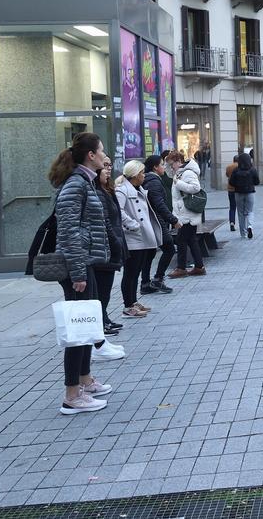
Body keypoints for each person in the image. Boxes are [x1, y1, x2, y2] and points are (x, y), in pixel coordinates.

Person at [48, 132, 114, 415]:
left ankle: (85, 380)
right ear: (90, 155)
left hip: (85, 262)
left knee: (87, 325)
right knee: (77, 329)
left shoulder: (84, 182)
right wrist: (77, 272)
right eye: (101, 151)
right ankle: (72, 395)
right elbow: (68, 232)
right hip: (77, 265)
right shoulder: (76, 184)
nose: (104, 155)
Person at [116, 160, 162, 318]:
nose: (144, 176)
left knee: (135, 272)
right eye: (142, 173)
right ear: (135, 175)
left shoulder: (138, 189)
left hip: (141, 237)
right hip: (132, 238)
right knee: (130, 273)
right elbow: (118, 212)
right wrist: (132, 225)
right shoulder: (122, 191)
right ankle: (128, 306)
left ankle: (133, 301)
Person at [92, 157, 128, 357]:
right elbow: (104, 222)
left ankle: (100, 335)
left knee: (103, 293)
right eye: (104, 165)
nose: (108, 169)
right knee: (100, 294)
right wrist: (115, 242)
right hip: (104, 250)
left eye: (109, 166)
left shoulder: (107, 190)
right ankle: (98, 340)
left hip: (110, 247)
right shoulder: (95, 191)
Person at [140, 154, 178, 294]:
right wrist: (173, 220)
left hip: (151, 220)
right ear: (155, 167)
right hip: (156, 221)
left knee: (149, 253)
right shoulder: (154, 181)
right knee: (169, 248)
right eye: (162, 164)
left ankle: (145, 283)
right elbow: (159, 204)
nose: (164, 167)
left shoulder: (149, 179)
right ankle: (158, 279)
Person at [168, 150, 207, 277]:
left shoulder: (188, 173)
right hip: (184, 212)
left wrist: (179, 184)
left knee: (181, 239)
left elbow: (196, 188)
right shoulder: (179, 173)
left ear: (178, 162)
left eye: (172, 164)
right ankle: (199, 266)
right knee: (191, 240)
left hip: (187, 213)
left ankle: (181, 268)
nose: (171, 167)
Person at [228, 153, 260, 239]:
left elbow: (231, 182)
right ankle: (250, 226)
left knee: (240, 213)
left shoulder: (236, 170)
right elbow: (257, 181)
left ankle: (243, 233)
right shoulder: (252, 170)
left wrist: (237, 185)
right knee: (250, 211)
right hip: (250, 192)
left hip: (238, 193)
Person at [225, 155, 239, 233]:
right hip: (238, 189)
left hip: (230, 189)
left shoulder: (229, 167)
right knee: (241, 208)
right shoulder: (240, 166)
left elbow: (227, 175)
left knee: (232, 207)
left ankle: (232, 223)